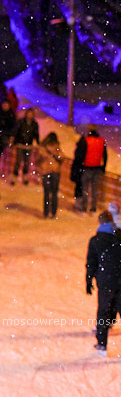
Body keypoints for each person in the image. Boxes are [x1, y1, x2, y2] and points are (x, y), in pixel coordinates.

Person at [85, 210, 121, 358]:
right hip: (120, 279)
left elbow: (91, 263)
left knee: (103, 311)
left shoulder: (96, 240)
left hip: (106, 280)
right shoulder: (119, 236)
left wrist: (88, 280)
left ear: (100, 223)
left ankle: (102, 344)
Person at [74, 126, 108, 213]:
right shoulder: (101, 141)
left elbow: (80, 155)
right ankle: (93, 208)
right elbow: (105, 155)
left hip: (86, 168)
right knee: (94, 189)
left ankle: (84, 208)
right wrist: (103, 167)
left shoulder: (86, 140)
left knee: (85, 188)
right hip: (97, 168)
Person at [10, 108, 39, 185]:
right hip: (20, 144)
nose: (30, 115)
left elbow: (36, 134)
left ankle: (25, 176)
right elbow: (16, 131)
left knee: (27, 162)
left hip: (29, 145)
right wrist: (14, 140)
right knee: (18, 161)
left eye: (31, 113)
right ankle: (14, 176)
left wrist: (37, 143)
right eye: (29, 113)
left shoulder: (34, 124)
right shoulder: (21, 122)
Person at [37, 132, 63, 219]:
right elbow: (61, 157)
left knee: (46, 193)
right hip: (55, 171)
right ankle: (54, 213)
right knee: (54, 193)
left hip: (45, 172)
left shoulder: (42, 148)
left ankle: (46, 213)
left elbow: (38, 159)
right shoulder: (57, 148)